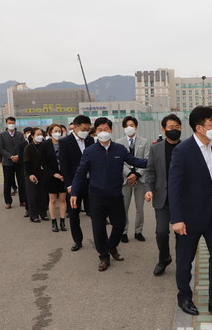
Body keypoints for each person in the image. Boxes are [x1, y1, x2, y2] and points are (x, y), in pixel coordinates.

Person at [169, 106, 212, 316]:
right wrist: (177, 219)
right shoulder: (182, 151)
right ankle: (184, 298)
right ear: (199, 127)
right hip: (189, 217)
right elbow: (175, 187)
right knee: (185, 261)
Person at [70, 117, 148, 272]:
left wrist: (156, 160)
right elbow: (80, 173)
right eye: (100, 129)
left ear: (111, 130)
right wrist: (74, 192)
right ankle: (104, 256)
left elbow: (136, 161)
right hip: (97, 196)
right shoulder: (90, 151)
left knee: (119, 224)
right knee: (98, 228)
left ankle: (112, 247)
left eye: (106, 129)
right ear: (95, 132)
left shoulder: (119, 149)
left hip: (115, 195)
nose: (103, 132)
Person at [145, 114, 183, 276]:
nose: (174, 130)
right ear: (163, 129)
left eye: (177, 127)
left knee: (181, 233)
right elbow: (150, 172)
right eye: (171, 127)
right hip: (162, 198)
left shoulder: (187, 147)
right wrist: (148, 189)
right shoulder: (155, 148)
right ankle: (164, 258)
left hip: (182, 199)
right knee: (161, 232)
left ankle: (182, 263)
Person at [59, 115, 94, 251]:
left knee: (95, 213)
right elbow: (64, 165)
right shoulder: (65, 142)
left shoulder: (90, 140)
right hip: (74, 184)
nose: (86, 131)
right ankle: (77, 241)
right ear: (75, 126)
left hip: (90, 182)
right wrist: (69, 185)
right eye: (84, 129)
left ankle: (98, 239)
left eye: (88, 129)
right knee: (74, 215)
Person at [117, 116, 150, 243]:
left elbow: (148, 160)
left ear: (136, 126)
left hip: (140, 179)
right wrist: (129, 174)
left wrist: (137, 174)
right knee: (124, 208)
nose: (129, 128)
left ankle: (138, 231)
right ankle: (124, 231)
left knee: (140, 208)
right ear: (123, 128)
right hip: (125, 179)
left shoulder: (145, 141)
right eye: (127, 126)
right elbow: (119, 161)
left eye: (132, 125)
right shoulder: (119, 142)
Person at [40, 124, 68, 233]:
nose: (58, 133)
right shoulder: (45, 145)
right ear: (50, 132)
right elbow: (43, 162)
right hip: (51, 176)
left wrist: (65, 174)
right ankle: (54, 222)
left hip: (63, 176)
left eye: (59, 131)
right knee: (52, 200)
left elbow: (68, 160)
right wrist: (53, 174)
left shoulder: (64, 143)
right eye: (55, 131)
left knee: (62, 199)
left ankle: (62, 221)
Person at [0, 117, 26, 209]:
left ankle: (23, 200)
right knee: (7, 183)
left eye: (13, 123)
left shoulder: (20, 135)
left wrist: (18, 156)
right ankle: (8, 202)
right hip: (7, 163)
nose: (11, 125)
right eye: (10, 123)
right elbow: (1, 149)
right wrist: (10, 157)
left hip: (19, 162)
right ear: (6, 124)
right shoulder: (2, 135)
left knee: (21, 182)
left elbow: (23, 147)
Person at [23, 128, 48, 222]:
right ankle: (34, 215)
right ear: (32, 136)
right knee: (32, 195)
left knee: (42, 194)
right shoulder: (28, 147)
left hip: (42, 174)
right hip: (31, 174)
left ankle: (43, 213)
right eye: (37, 134)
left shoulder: (44, 146)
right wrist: (30, 174)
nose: (40, 136)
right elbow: (26, 162)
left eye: (41, 134)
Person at [19, 127, 33, 218]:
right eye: (27, 132)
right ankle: (28, 209)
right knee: (27, 191)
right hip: (26, 170)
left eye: (30, 132)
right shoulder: (22, 145)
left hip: (37, 170)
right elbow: (21, 158)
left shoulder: (38, 143)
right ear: (24, 134)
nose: (29, 134)